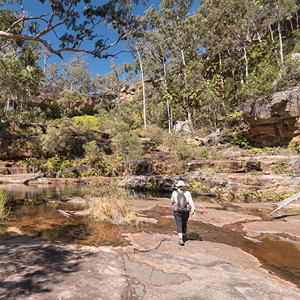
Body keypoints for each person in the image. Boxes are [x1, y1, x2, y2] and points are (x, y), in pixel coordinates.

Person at [171, 180, 196, 245]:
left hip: (177, 210)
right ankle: (184, 236)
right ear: (183, 186)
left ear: (178, 186)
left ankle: (180, 239)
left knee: (179, 223)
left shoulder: (174, 192)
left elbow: (172, 201)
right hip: (185, 210)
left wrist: (173, 205)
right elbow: (190, 202)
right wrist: (193, 210)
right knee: (184, 223)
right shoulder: (187, 193)